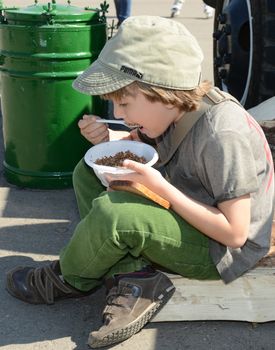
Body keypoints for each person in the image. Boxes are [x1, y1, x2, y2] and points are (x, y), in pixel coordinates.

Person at [5, 16, 274, 349]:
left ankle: (67, 278)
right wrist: (110, 137)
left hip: (221, 251)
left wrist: (160, 187)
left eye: (125, 103)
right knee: (87, 171)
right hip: (192, 207)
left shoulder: (222, 135)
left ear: (161, 92)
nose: (118, 113)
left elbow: (235, 234)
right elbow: (156, 145)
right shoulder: (178, 108)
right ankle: (135, 278)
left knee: (114, 215)